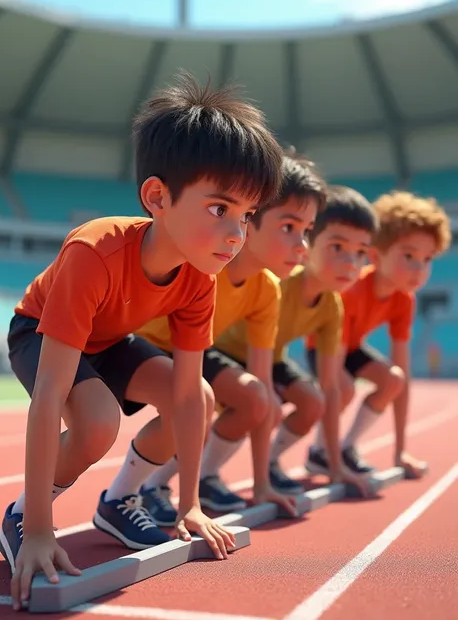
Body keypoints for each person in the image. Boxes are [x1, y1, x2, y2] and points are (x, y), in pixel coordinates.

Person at [0, 72, 284, 611]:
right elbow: (48, 397)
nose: (236, 235)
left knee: (197, 395)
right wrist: (39, 528)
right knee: (97, 421)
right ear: (157, 197)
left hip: (109, 339)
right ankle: (21, 514)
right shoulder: (94, 251)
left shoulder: (202, 275)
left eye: (246, 217)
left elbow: (186, 386)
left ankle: (120, 498)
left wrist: (190, 504)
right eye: (220, 209)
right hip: (40, 332)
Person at [132, 155, 327, 524]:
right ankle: (147, 486)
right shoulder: (202, 263)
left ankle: (203, 478)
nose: (302, 245)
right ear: (250, 220)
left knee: (257, 398)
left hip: (192, 348)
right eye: (288, 227)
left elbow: (264, 383)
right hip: (144, 341)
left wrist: (261, 484)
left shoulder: (268, 289)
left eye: (308, 230)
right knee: (197, 403)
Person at [214, 185, 378, 497]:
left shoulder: (332, 306)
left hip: (269, 357)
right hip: (227, 351)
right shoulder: (281, 282)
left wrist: (335, 464)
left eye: (360, 253)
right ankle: (207, 474)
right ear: (309, 245)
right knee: (268, 405)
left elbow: (330, 388)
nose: (351, 263)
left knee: (313, 400)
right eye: (338, 248)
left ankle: (272, 463)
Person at [306, 190, 451, 478]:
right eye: (408, 256)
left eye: (427, 259)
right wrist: (333, 464)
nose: (418, 269)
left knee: (393, 380)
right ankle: (321, 453)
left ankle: (347, 449)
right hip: (323, 345)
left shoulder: (403, 299)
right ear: (376, 254)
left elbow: (404, 375)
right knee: (344, 388)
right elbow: (333, 378)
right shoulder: (352, 290)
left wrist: (400, 451)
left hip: (352, 347)